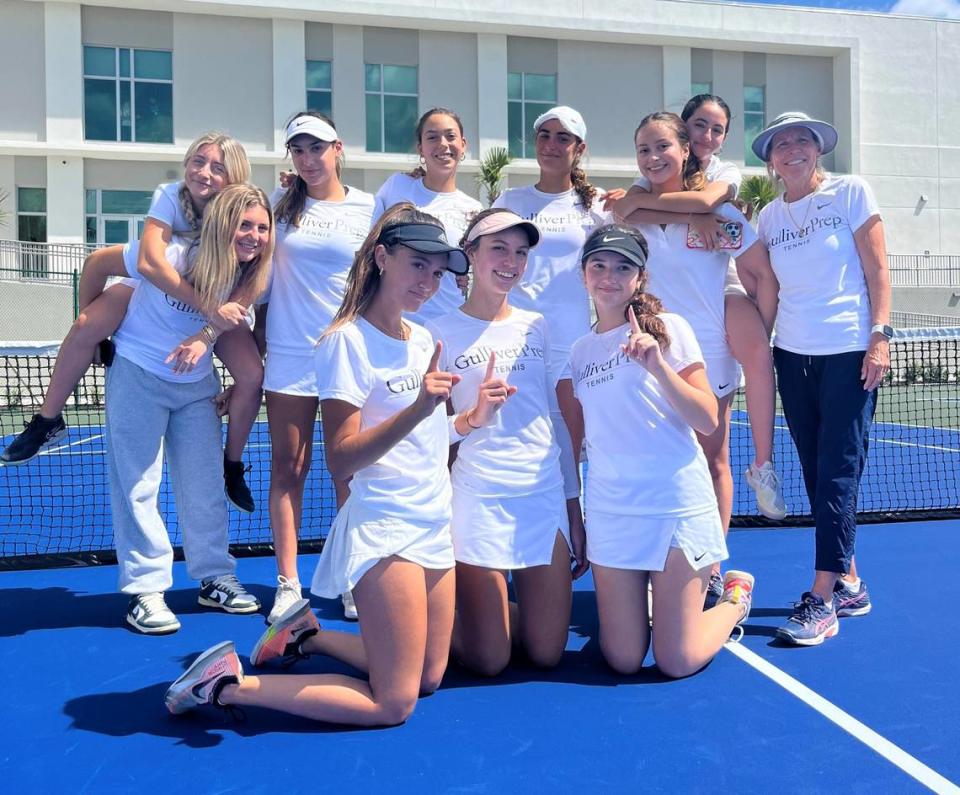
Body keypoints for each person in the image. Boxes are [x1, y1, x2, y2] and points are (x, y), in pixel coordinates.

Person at [163, 205, 498, 727]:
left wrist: (469, 421)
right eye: (418, 265)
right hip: (385, 525)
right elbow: (342, 460)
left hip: (434, 522)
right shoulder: (345, 342)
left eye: (437, 271)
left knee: (432, 676)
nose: (429, 281)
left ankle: (305, 635)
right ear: (383, 258)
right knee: (394, 703)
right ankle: (227, 684)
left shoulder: (426, 342)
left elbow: (428, 439)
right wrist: (417, 409)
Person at [1, 133, 262, 515]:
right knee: (86, 325)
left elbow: (252, 287)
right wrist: (98, 335)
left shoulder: (248, 232)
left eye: (218, 167)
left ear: (235, 179)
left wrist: (211, 336)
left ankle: (232, 464)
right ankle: (47, 419)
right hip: (153, 284)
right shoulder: (172, 200)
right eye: (198, 161)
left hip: (213, 311)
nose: (204, 173)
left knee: (253, 376)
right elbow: (131, 264)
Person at [557, 224, 754, 677]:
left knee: (676, 659)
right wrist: (576, 517)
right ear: (584, 275)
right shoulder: (580, 353)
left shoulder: (670, 330)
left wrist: (658, 367)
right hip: (613, 512)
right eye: (599, 266)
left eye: (623, 267)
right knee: (623, 659)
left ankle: (734, 599)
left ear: (640, 277)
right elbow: (583, 440)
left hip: (675, 507)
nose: (609, 276)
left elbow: (707, 419)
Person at [91, 183, 274, 634]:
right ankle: (145, 590)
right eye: (243, 225)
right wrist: (94, 333)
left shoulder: (252, 273)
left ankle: (214, 578)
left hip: (195, 385)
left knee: (204, 483)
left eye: (262, 227)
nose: (253, 236)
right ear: (221, 225)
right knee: (136, 483)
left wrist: (212, 351)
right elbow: (96, 263)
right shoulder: (171, 255)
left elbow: (230, 329)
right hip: (137, 372)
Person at [619, 111, 779, 606]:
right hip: (648, 355)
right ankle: (655, 565)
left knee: (713, 463)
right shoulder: (625, 212)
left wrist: (756, 334)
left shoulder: (725, 217)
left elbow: (763, 276)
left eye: (663, 147)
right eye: (644, 149)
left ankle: (711, 568)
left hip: (709, 356)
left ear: (686, 149)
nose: (653, 158)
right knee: (653, 461)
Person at [426, 209, 587, 676]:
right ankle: (435, 622)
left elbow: (555, 421)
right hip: (478, 498)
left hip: (541, 497)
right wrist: (472, 417)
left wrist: (573, 510)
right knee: (490, 660)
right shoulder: (437, 333)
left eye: (520, 252)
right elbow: (427, 435)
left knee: (546, 654)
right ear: (470, 254)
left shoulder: (538, 324)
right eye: (498, 248)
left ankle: (491, 619)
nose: (511, 261)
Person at [751, 112, 891, 646]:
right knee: (814, 468)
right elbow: (755, 273)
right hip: (792, 353)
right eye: (781, 143)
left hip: (849, 349)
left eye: (802, 140)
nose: (792, 149)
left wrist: (880, 335)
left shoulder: (850, 192)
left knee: (838, 469)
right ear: (770, 160)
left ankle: (822, 597)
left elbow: (878, 269)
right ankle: (850, 582)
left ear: (818, 150)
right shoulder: (767, 217)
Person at [257, 113, 375, 623]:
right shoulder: (277, 208)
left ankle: (353, 578)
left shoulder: (370, 207)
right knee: (289, 468)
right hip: (289, 355)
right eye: (298, 150)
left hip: (347, 354)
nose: (308, 159)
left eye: (317, 148)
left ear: (338, 148)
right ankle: (288, 584)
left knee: (350, 470)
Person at [372, 107, 483, 323]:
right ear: (420, 148)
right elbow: (368, 243)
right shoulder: (397, 186)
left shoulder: (474, 209)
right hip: (394, 321)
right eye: (432, 137)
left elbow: (474, 270)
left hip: (448, 324)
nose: (443, 144)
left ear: (463, 145)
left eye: (451, 136)